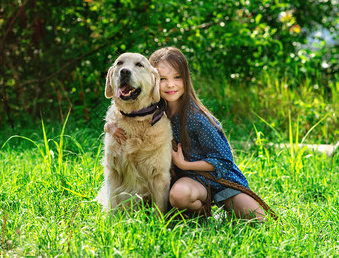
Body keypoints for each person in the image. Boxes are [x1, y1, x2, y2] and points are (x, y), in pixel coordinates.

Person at [104, 47, 266, 221]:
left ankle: (206, 209)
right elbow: (127, 114)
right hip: (188, 183)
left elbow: (225, 161)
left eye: (177, 77)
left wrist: (184, 164)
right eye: (163, 79)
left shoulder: (198, 119)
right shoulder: (157, 110)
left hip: (219, 179)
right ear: (154, 80)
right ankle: (199, 214)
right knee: (179, 196)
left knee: (258, 220)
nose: (170, 84)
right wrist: (110, 126)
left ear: (186, 79)